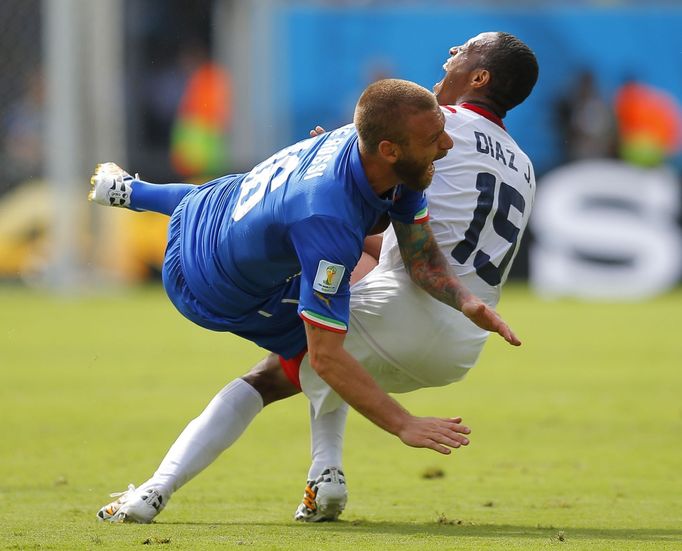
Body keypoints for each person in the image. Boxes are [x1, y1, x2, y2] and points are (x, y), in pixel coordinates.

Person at [91, 76, 520, 523]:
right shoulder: (327, 219)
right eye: (435, 138)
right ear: (389, 150)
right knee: (304, 356)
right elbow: (328, 357)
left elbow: (418, 255)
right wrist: (403, 423)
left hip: (228, 207)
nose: (447, 145)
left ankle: (129, 192)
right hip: (208, 284)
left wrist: (465, 301)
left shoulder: (388, 159)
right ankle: (165, 487)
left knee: (211, 199)